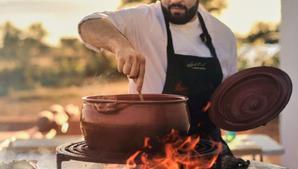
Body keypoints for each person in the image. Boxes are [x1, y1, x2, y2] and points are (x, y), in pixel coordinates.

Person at [79, 0, 237, 167]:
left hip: (208, 153)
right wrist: (121, 46)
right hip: (153, 155)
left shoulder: (222, 35)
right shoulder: (143, 20)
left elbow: (228, 99)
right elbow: (88, 25)